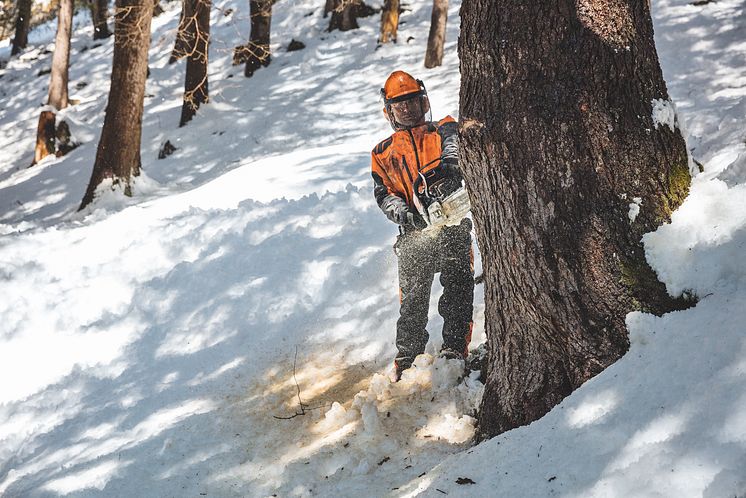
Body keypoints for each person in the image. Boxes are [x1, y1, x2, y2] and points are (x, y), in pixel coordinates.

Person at [371, 70, 474, 381]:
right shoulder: (382, 153)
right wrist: (408, 215)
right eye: (400, 106)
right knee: (413, 302)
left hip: (453, 226)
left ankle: (455, 350)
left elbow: (454, 137)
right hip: (414, 233)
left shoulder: (442, 131)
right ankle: (407, 360)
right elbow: (385, 195)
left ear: (423, 101)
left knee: (458, 289)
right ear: (389, 111)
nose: (408, 110)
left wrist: (450, 166)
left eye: (412, 103)